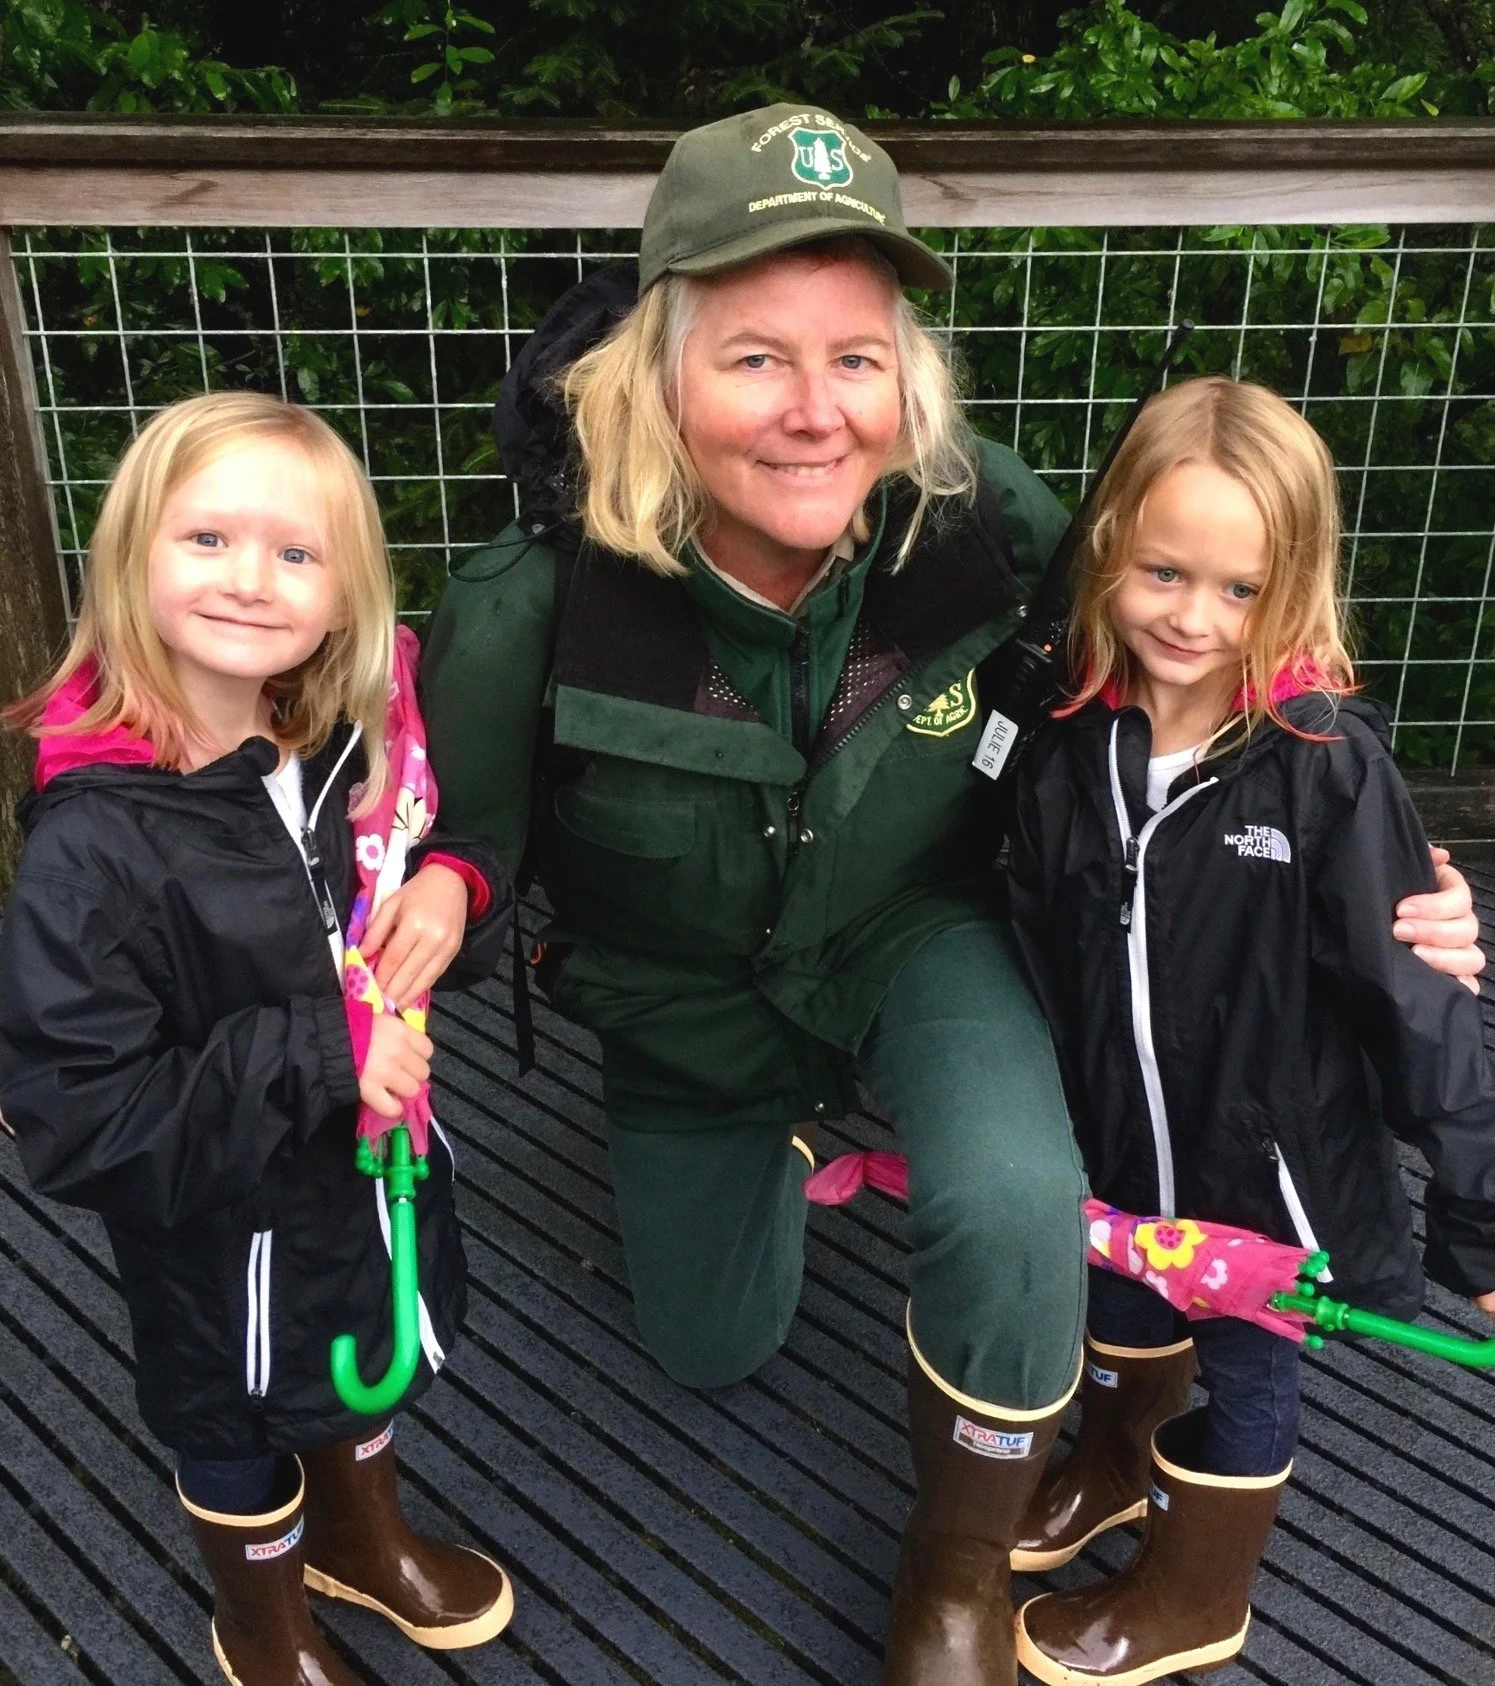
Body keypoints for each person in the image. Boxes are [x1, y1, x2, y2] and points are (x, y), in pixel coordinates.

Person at [420, 107, 1483, 1686]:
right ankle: (779, 1137)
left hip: (925, 931)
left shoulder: (979, 511)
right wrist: (437, 895)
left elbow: (1188, 650)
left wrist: (1373, 857)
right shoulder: (532, 601)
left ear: (904, 370)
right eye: (756, 357)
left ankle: (958, 1570)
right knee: (713, 1349)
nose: (813, 411)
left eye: (855, 356)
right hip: (681, 1003)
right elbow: (470, 840)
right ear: (656, 370)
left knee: (1004, 1200)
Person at [0, 392, 516, 1685]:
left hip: (367, 1189)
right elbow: (78, 1118)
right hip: (216, 1245)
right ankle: (266, 1627)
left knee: (356, 1368)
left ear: (347, 593)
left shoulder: (346, 747)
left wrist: (455, 880)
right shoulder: (94, 842)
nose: (250, 577)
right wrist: (322, 1053)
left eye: (296, 552)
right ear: (132, 558)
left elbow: (424, 845)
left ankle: (362, 1537)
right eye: (208, 538)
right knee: (234, 1422)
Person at [1004, 376, 1495, 1686]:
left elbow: (1420, 1003)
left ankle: (1193, 1590)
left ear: (1290, 587)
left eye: (1237, 589)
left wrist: (1478, 1210)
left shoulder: (1321, 763)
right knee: (1111, 1301)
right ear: (1108, 548)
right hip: (1109, 1136)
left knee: (1243, 1372)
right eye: (1163, 570)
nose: (1191, 616)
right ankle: (1110, 1464)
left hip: (1259, 1182)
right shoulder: (1066, 735)